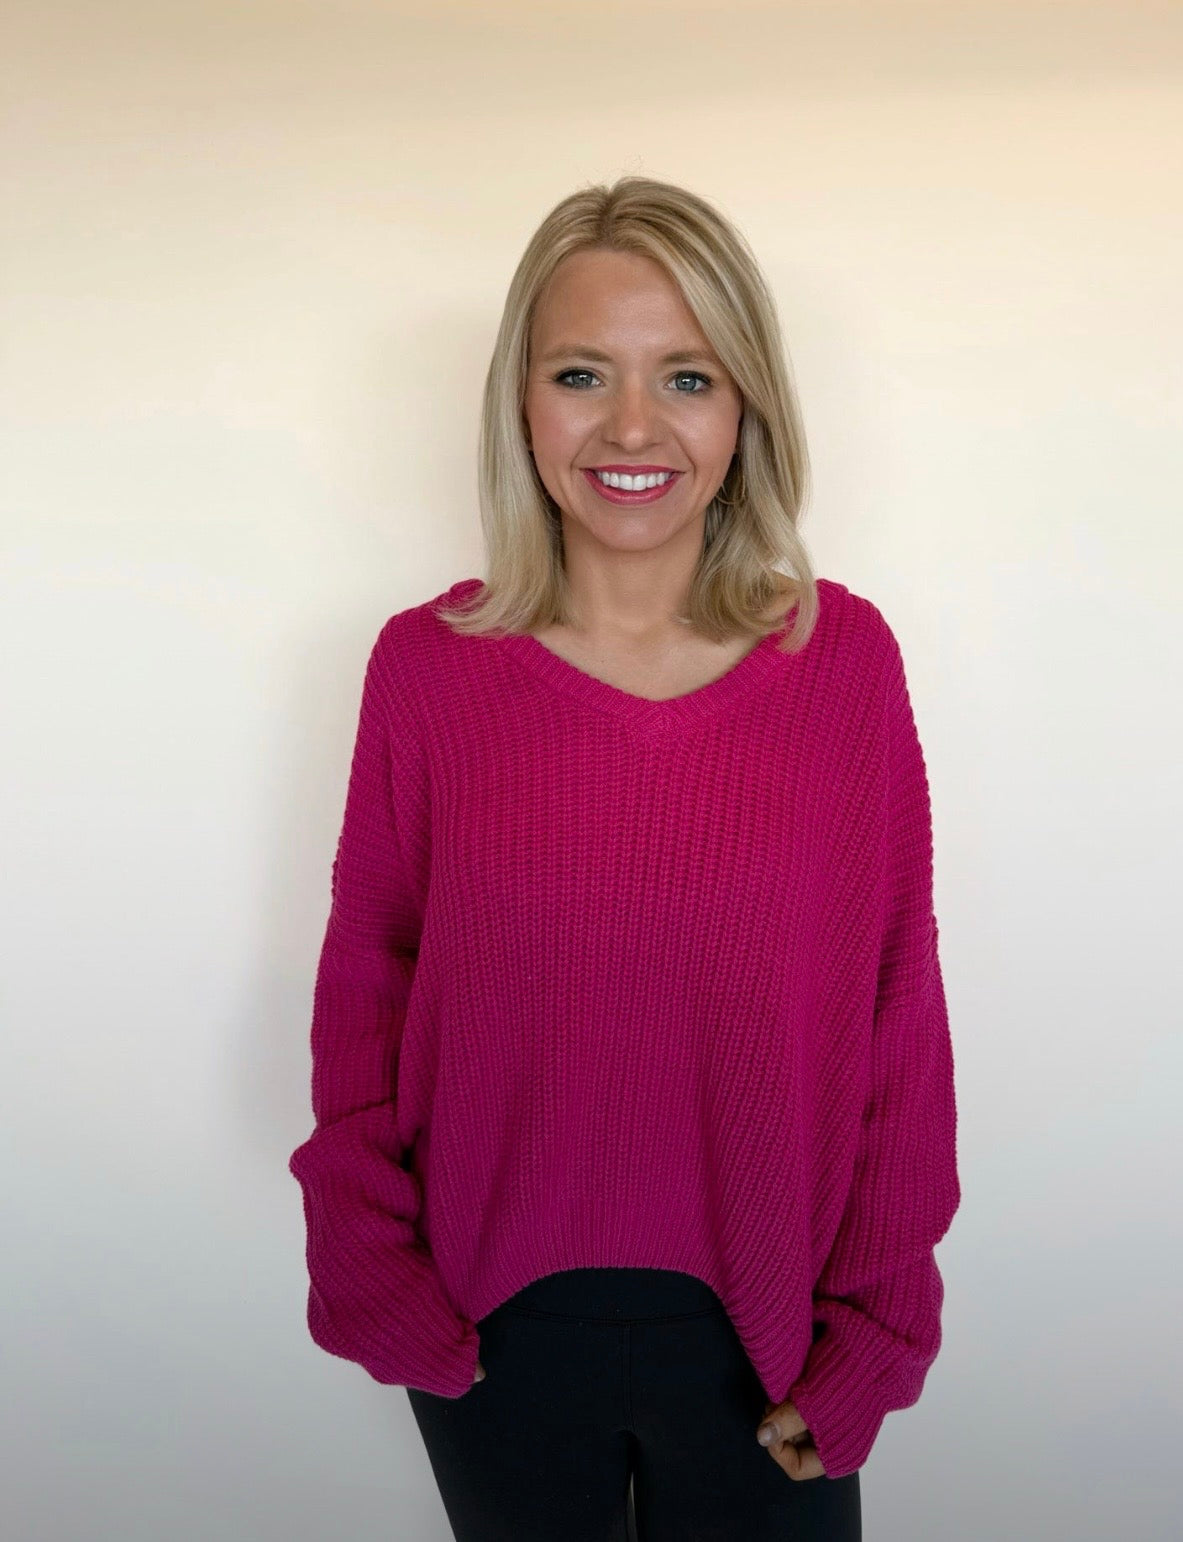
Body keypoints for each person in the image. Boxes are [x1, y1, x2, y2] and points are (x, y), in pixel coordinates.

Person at [287, 175, 961, 1541]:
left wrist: (880, 1320)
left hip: (772, 1329)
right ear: (519, 402)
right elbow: (369, 976)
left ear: (747, 405)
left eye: (689, 377)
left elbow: (897, 1007)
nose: (634, 427)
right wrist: (368, 1259)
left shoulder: (841, 666)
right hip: (492, 1331)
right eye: (582, 373)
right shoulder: (428, 673)